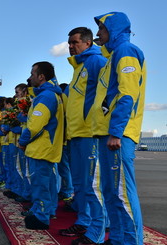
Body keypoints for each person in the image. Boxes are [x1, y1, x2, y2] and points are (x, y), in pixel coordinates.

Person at [91, 12, 146, 245]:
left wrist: (116, 131)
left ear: (113, 30)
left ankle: (132, 241)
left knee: (122, 193)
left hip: (118, 134)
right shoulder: (114, 54)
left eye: (102, 29)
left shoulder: (126, 51)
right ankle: (117, 239)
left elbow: (127, 95)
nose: (97, 34)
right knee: (111, 192)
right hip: (108, 133)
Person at [59, 27, 108, 245]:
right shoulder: (78, 67)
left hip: (90, 133)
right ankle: (84, 220)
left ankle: (96, 231)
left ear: (87, 43)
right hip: (76, 134)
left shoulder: (96, 62)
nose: (70, 46)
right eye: (69, 42)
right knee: (79, 183)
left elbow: (109, 93)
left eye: (74, 42)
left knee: (92, 185)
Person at [18, 61, 64, 230]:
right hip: (45, 147)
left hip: (42, 148)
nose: (30, 78)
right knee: (46, 184)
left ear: (41, 76)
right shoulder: (49, 94)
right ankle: (42, 211)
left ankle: (41, 217)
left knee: (41, 185)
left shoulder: (46, 96)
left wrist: (22, 142)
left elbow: (35, 126)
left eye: (32, 74)